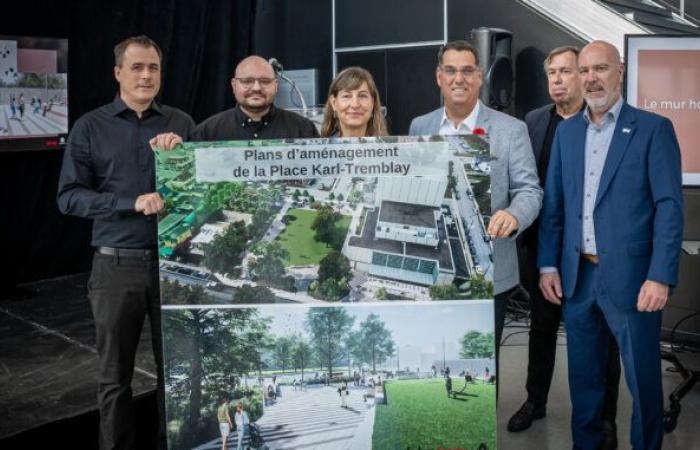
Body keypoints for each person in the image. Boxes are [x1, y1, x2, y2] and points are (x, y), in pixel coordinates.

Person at [538, 40, 683, 450]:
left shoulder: (653, 129)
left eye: (600, 69)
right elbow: (554, 206)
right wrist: (549, 265)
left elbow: (670, 208)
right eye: (584, 71)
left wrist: (660, 275)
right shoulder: (567, 133)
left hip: (635, 281)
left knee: (643, 383)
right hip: (578, 278)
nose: (591, 79)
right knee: (583, 382)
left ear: (620, 72)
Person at [57, 35, 195, 450]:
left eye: (153, 67)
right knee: (115, 377)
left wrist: (184, 157)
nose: (146, 75)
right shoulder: (90, 126)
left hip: (175, 266)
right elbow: (69, 197)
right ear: (118, 72)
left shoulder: (181, 124)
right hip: (116, 269)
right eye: (137, 67)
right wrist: (130, 203)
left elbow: (203, 190)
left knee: (177, 375)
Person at [409, 40, 542, 394]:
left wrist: (513, 216)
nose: (459, 78)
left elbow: (530, 191)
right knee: (438, 357)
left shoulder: (510, 130)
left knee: (484, 368)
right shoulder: (419, 127)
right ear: (439, 77)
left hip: (491, 270)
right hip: (435, 270)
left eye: (468, 70)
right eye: (450, 70)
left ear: (480, 77)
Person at [507, 47, 621, 443]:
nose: (557, 80)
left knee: (600, 337)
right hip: (545, 247)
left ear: (584, 75)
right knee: (540, 329)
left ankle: (604, 415)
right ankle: (534, 401)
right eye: (551, 73)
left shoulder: (606, 123)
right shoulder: (534, 121)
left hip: (592, 252)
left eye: (565, 71)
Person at [194, 55, 318, 140]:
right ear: (234, 85)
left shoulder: (303, 129)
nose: (256, 88)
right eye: (247, 81)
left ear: (276, 85)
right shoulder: (207, 133)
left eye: (265, 81)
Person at [320, 66, 388, 137]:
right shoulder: (317, 147)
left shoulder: (392, 147)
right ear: (334, 103)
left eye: (362, 96)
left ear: (373, 103)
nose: (355, 105)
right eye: (346, 96)